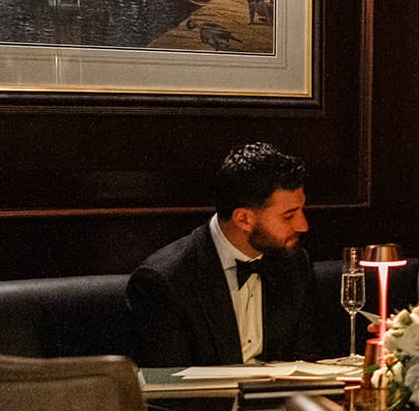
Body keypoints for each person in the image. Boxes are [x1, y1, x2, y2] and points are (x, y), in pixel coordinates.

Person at [126, 141, 318, 368]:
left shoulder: (294, 263)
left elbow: (306, 360)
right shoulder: (163, 281)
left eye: (301, 211)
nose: (303, 225)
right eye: (288, 216)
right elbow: (169, 386)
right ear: (243, 219)